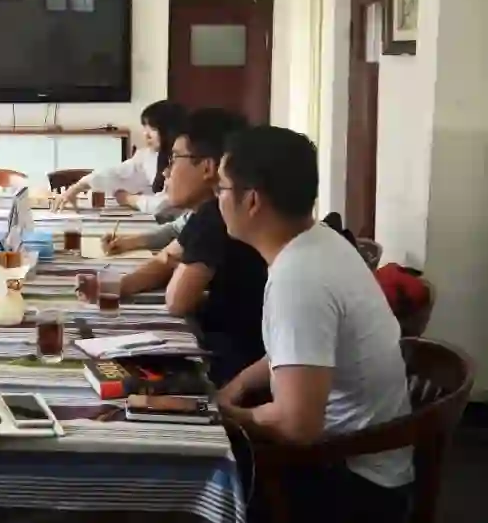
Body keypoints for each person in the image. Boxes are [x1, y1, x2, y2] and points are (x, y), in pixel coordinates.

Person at [215, 126, 412, 522]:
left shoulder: (299, 277)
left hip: (349, 484)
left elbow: (297, 425)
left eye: (220, 188)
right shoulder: (320, 241)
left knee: (190, 470)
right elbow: (298, 351)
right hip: (361, 462)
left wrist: (228, 417)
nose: (215, 198)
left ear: (251, 200)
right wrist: (234, 388)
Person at [110, 108, 267, 386]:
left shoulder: (215, 217)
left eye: (174, 159)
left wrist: (177, 273)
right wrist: (116, 287)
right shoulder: (205, 213)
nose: (166, 171)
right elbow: (165, 260)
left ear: (207, 167)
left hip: (232, 366)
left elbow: (176, 301)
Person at [53, 100, 186, 214]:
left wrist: (127, 199)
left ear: (170, 130)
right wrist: (76, 188)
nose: (146, 134)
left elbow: (165, 205)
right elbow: (116, 173)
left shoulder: (184, 160)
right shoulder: (148, 155)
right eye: (145, 128)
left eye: (153, 129)